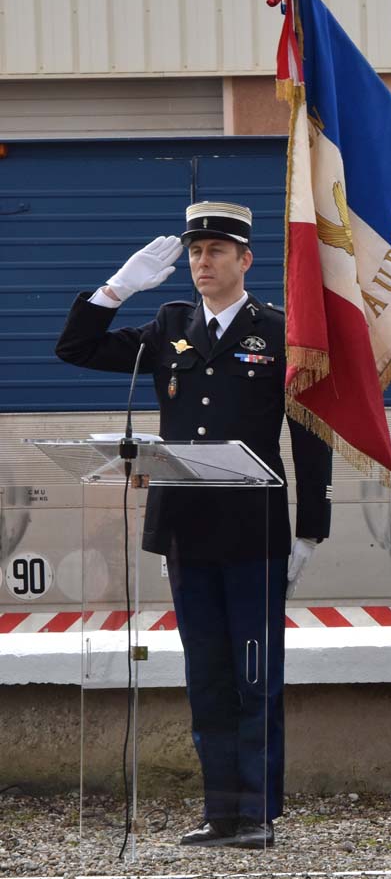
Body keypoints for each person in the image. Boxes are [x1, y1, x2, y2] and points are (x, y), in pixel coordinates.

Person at [55, 201, 332, 849]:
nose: (201, 262)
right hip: (185, 531)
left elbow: (309, 436)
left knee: (253, 674)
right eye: (194, 252)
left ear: (244, 260)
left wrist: (309, 529)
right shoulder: (168, 325)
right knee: (206, 675)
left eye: (215, 251)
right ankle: (220, 813)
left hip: (253, 532)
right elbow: (77, 348)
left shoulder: (279, 332)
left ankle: (256, 814)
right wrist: (115, 290)